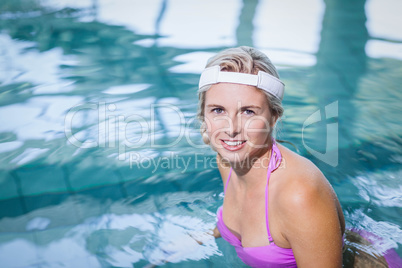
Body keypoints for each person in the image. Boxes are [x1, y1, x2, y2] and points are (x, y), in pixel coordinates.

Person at [197, 46, 345, 267]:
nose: (231, 129)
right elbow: (237, 220)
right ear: (203, 113)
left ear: (274, 117)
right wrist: (196, 239)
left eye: (248, 111)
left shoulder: (299, 195)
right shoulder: (227, 160)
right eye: (218, 110)